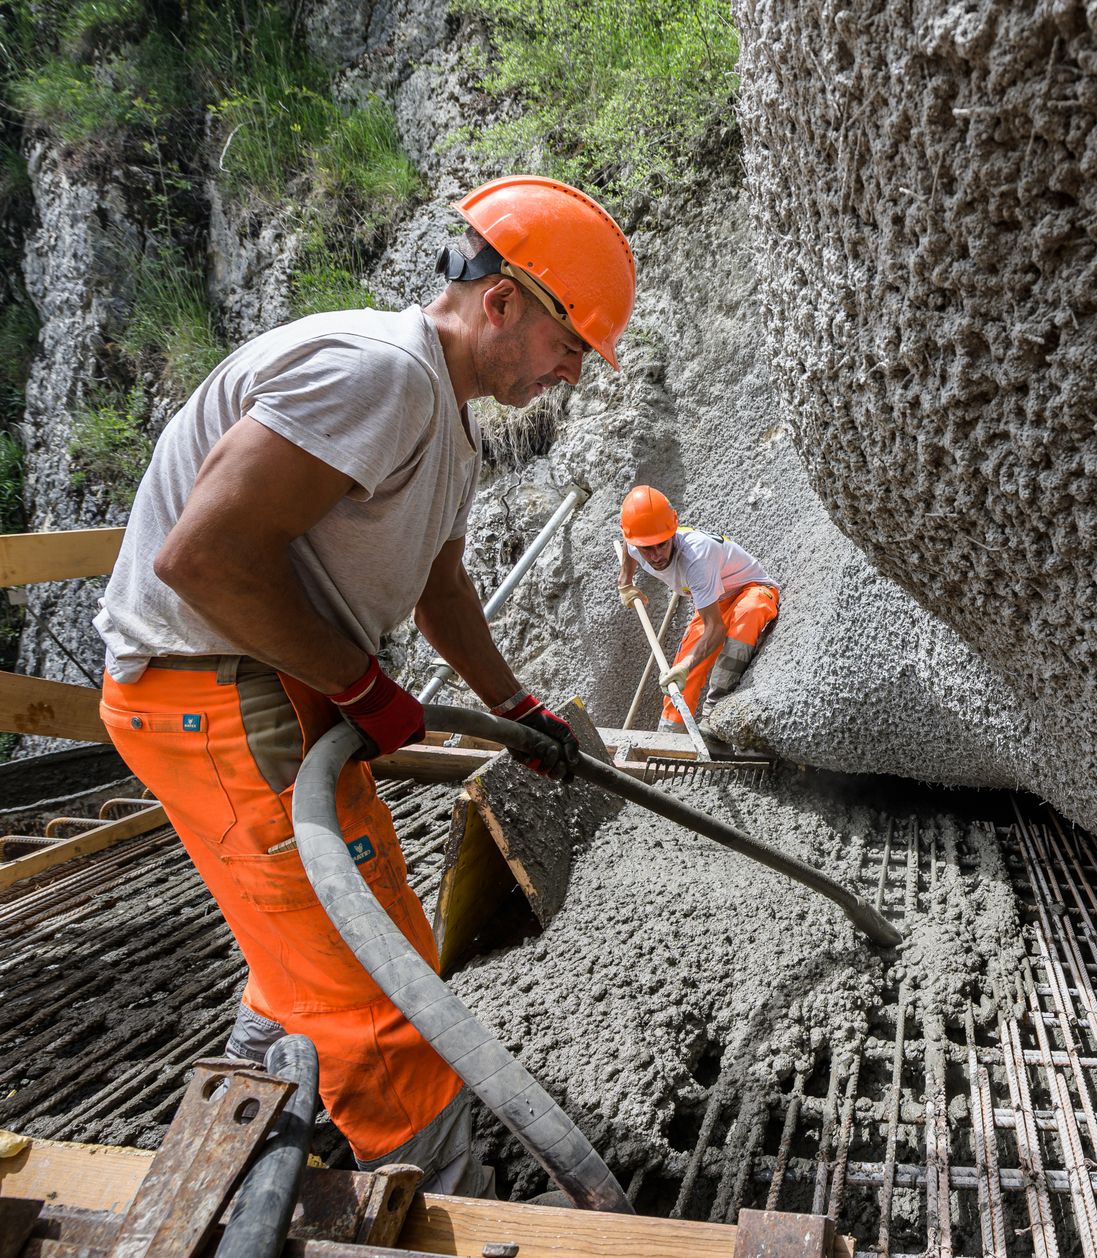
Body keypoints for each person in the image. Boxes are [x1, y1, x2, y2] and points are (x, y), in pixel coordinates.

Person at [91, 175, 637, 1192]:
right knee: (386, 1002)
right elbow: (202, 558)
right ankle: (444, 1210)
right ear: (503, 299)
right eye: (570, 342)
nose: (571, 371)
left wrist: (511, 707)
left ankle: (238, 1126)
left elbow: (439, 580)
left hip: (276, 686)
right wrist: (362, 686)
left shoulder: (445, 420)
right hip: (209, 690)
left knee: (319, 942)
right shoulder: (379, 373)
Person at [615, 486, 779, 733]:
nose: (657, 555)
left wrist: (687, 665)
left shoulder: (696, 557)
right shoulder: (638, 542)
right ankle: (669, 737)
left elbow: (715, 630)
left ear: (673, 530)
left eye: (662, 544)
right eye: (648, 548)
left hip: (751, 589)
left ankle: (716, 714)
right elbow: (629, 548)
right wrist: (625, 584)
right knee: (678, 679)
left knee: (746, 616)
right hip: (714, 600)